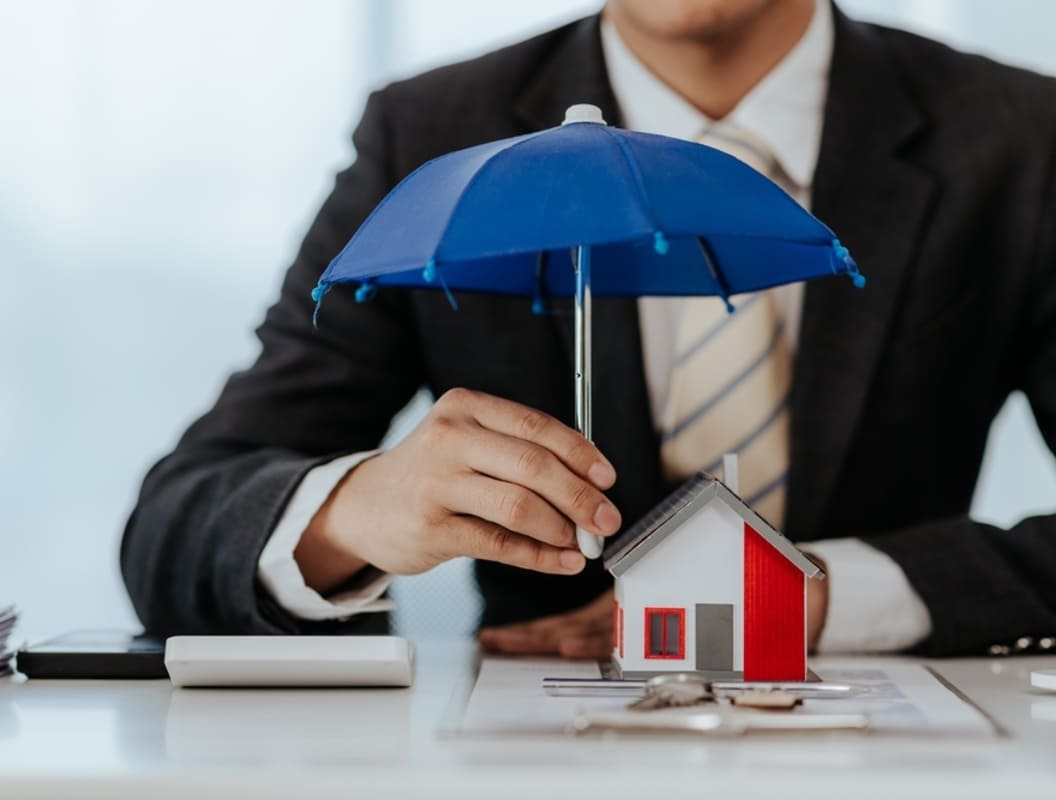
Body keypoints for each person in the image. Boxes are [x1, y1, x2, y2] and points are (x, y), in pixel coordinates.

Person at [121, 0, 1056, 659]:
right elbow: (176, 524)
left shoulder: (1019, 136)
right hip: (547, 744)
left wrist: (829, 597)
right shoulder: (434, 132)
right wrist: (355, 509)